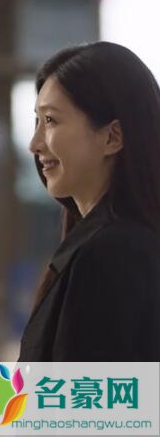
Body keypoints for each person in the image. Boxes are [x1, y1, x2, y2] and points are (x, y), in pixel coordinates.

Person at [19, 41, 160, 361]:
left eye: (51, 120)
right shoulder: (107, 244)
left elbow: (94, 392)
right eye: (37, 121)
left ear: (112, 137)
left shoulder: (113, 253)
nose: (34, 144)